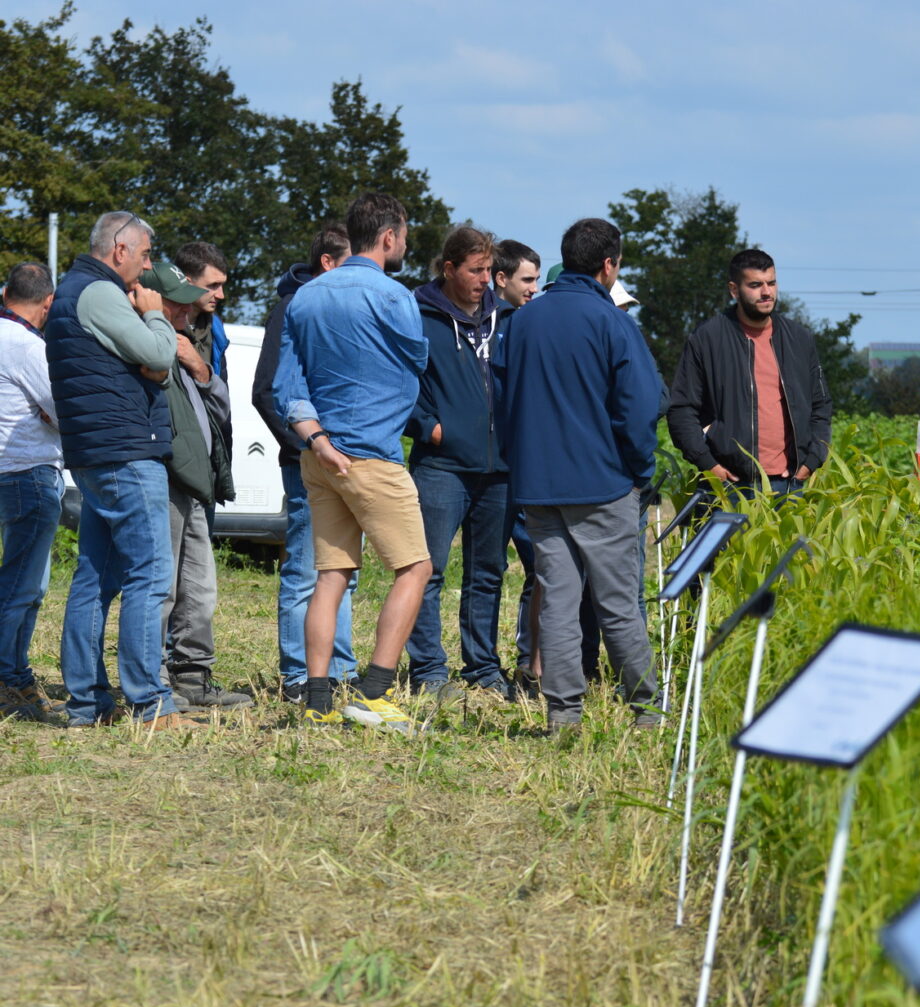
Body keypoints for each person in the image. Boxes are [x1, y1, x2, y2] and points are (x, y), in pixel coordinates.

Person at [492, 217, 662, 733]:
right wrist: (640, 470)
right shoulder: (613, 323)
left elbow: (501, 402)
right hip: (603, 484)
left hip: (539, 486)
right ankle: (647, 711)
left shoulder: (520, 321)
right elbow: (639, 408)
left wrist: (519, 462)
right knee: (617, 606)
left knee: (558, 605)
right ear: (609, 265)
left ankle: (563, 716)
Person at [273, 192, 432, 732]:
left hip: (320, 457)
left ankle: (317, 700)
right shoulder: (394, 297)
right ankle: (374, 691)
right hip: (373, 456)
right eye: (404, 235)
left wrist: (316, 439)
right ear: (387, 238)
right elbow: (418, 358)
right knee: (416, 568)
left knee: (331, 574)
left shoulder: (304, 298)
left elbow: (285, 387)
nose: (405, 244)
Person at [45, 211, 196, 730]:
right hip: (126, 452)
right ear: (119, 251)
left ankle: (87, 704)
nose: (149, 268)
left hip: (94, 453)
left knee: (95, 577)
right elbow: (159, 354)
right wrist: (156, 314)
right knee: (150, 575)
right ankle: (151, 704)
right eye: (147, 254)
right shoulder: (101, 293)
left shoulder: (70, 292)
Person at [253, 224, 360, 703]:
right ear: (328, 264)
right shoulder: (292, 308)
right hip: (306, 463)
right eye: (351, 261)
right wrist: (306, 446)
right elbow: (267, 391)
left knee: (342, 571)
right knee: (304, 570)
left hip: (345, 461)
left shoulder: (338, 312)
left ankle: (339, 670)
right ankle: (299, 674)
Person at [405, 225, 512, 699]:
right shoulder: (417, 316)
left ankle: (483, 670)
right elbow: (396, 381)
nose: (485, 279)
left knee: (487, 574)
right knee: (426, 570)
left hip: (500, 470)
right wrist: (428, 427)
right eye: (476, 270)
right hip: (441, 468)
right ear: (449, 269)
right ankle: (429, 671)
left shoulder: (506, 319)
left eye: (489, 270)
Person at [137, 261, 247, 710]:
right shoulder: (146, 343)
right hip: (166, 478)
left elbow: (220, 407)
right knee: (163, 588)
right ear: (153, 303)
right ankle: (156, 681)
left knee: (200, 590)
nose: (187, 312)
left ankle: (193, 680)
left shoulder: (188, 340)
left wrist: (199, 368)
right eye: (176, 305)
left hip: (197, 482)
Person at [667, 249, 832, 498]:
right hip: (729, 483)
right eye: (755, 285)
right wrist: (708, 464)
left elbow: (821, 405)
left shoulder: (799, 339)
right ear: (734, 290)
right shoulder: (707, 338)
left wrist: (811, 461)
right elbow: (681, 409)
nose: (767, 292)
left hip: (789, 484)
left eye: (771, 283)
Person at [0, 262, 62, 721]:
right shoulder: (25, 345)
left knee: (22, 583)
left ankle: (15, 676)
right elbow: (62, 411)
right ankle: (9, 680)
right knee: (22, 586)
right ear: (48, 303)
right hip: (28, 470)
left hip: (9, 471)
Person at [174, 242, 230, 383]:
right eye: (213, 286)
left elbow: (221, 394)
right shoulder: (158, 325)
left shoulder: (216, 330)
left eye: (222, 285)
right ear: (186, 283)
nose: (220, 295)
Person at [493, 239, 541, 309]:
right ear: (501, 279)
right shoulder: (478, 316)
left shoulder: (527, 316)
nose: (535, 289)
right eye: (528, 280)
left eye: (536, 280)